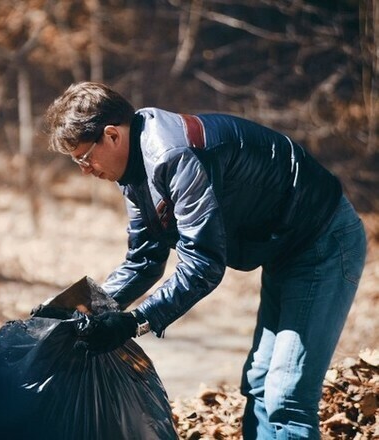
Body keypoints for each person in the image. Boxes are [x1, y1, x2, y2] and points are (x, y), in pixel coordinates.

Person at [41, 81, 367, 439]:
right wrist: (82, 312)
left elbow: (203, 265)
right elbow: (144, 259)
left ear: (112, 135)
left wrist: (134, 322)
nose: (84, 170)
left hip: (322, 242)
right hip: (284, 248)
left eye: (84, 158)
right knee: (259, 384)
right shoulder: (135, 171)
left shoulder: (173, 155)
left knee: (286, 398)